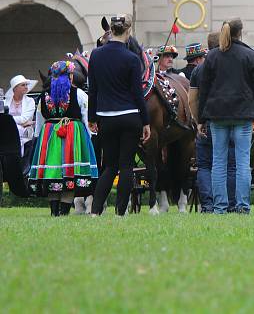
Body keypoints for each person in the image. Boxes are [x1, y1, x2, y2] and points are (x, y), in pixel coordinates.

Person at [198, 18, 254, 214]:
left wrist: (201, 119)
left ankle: (220, 207)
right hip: (243, 115)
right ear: (241, 33)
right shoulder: (249, 55)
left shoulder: (212, 56)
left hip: (217, 116)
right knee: (242, 162)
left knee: (218, 162)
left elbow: (204, 90)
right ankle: (243, 206)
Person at [88, 14, 151, 216]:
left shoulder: (96, 56)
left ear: (110, 30)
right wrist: (146, 121)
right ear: (128, 31)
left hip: (106, 117)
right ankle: (120, 212)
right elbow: (137, 93)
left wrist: (92, 118)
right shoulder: (132, 59)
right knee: (126, 166)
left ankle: (96, 210)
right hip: (130, 116)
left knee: (109, 166)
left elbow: (93, 90)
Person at [28, 61, 98, 216]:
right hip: (73, 136)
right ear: (70, 76)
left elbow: (39, 121)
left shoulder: (43, 96)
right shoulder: (78, 93)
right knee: (70, 173)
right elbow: (86, 117)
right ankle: (64, 212)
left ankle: (54, 212)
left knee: (54, 174)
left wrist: (39, 138)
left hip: (50, 136)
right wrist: (89, 135)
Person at [189, 33, 236, 213]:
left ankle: (208, 205)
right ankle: (230, 204)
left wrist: (198, 121)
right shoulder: (232, 65)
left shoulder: (199, 69)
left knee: (205, 166)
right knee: (231, 166)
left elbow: (192, 100)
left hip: (206, 122)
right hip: (229, 121)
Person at [5, 75, 37, 176]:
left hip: (25, 135)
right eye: (23, 85)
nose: (26, 87)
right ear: (15, 88)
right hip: (8, 133)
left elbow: (25, 118)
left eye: (26, 85)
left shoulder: (30, 101)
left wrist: (9, 119)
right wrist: (20, 123)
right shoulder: (5, 101)